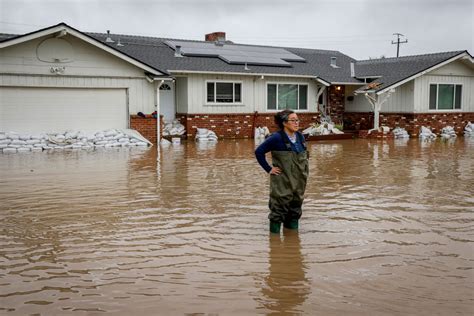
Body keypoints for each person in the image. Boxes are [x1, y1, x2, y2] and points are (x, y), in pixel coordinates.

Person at [255, 109, 309, 234]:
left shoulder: (300, 136)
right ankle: (274, 243)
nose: (296, 123)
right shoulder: (276, 138)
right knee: (278, 210)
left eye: (297, 120)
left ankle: (292, 242)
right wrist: (269, 169)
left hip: (299, 182)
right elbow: (259, 152)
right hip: (282, 181)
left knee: (295, 210)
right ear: (284, 123)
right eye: (293, 120)